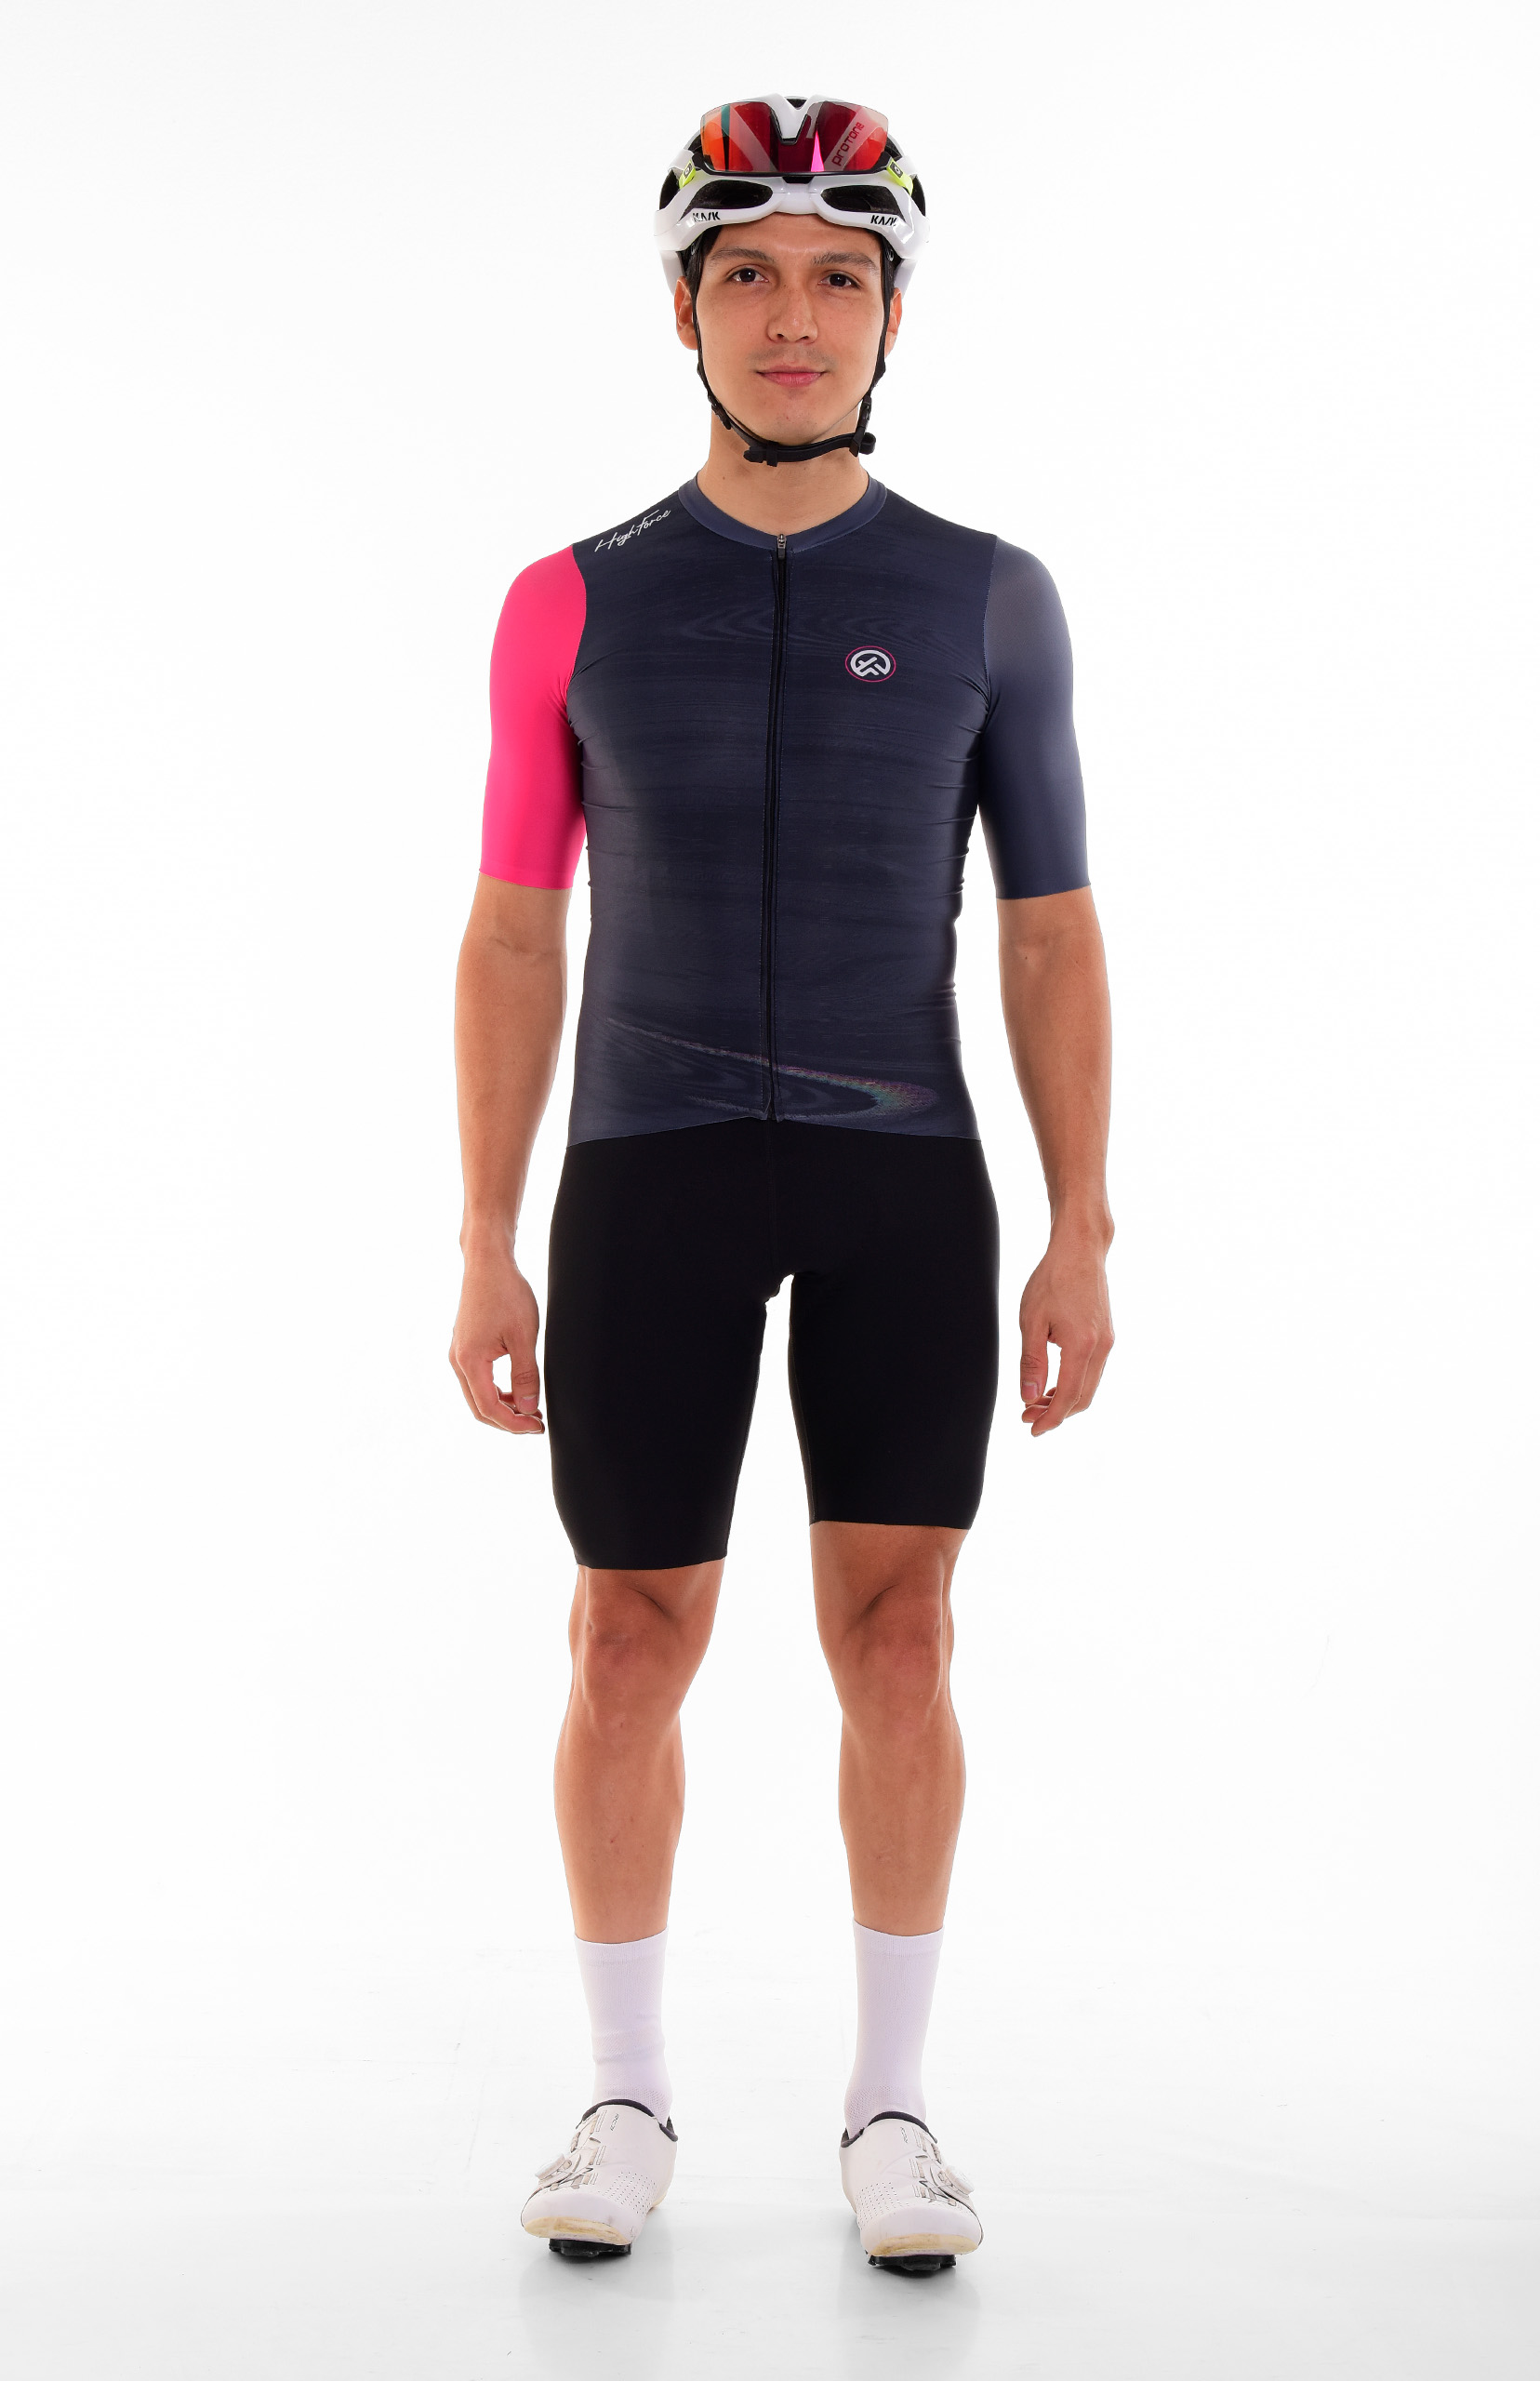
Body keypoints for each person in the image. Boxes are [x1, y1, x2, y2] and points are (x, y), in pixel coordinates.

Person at [449, 93, 1114, 2275]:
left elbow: (1049, 931)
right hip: (643, 1169)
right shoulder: (568, 600)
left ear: (894, 314)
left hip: (900, 1171)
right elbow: (515, 930)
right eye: (748, 272)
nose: (794, 314)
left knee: (902, 1639)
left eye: (841, 275)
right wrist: (482, 1236)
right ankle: (627, 2093)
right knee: (625, 1638)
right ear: (686, 312)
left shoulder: (992, 598)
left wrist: (1084, 1224)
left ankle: (892, 2109)